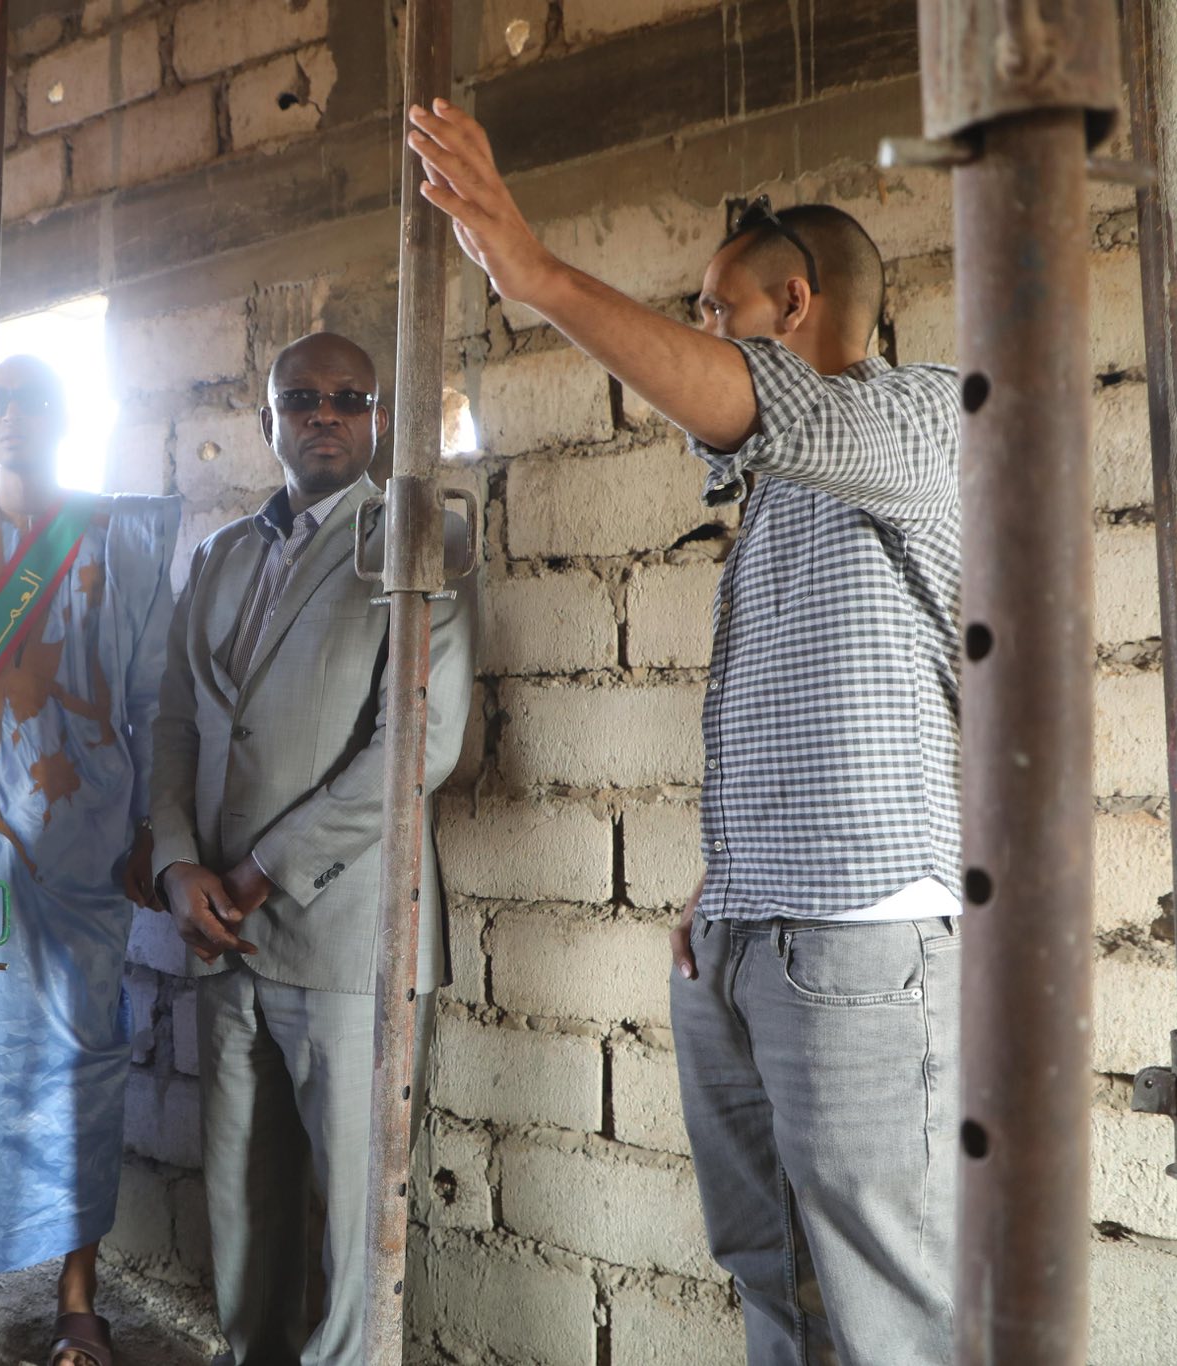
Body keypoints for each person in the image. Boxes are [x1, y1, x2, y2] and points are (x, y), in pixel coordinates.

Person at [410, 101, 963, 1365]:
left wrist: (532, 272)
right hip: (751, 925)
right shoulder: (779, 498)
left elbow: (752, 404)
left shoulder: (922, 420)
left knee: (885, 1298)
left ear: (794, 299)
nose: (698, 336)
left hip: (861, 930)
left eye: (716, 311)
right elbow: (794, 705)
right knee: (771, 1272)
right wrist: (727, 884)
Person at [149, 331, 478, 1366]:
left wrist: (260, 870)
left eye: (347, 398)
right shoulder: (218, 556)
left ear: (379, 418)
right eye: (299, 400)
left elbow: (414, 747)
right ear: (267, 423)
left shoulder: (416, 538)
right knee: (244, 1215)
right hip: (221, 932)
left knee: (354, 1226)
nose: (323, 415)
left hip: (347, 937)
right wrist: (173, 863)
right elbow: (171, 724)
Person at [0, 354, 179, 1366]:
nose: (11, 419)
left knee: (75, 1068)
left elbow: (152, 698)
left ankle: (75, 1299)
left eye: (32, 401)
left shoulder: (121, 539)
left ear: (66, 415)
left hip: (77, 852)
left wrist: (151, 825)